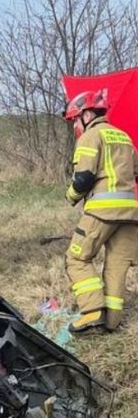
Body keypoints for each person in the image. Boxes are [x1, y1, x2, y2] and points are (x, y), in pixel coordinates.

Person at [60, 90, 138, 333]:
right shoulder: (124, 137)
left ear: (88, 113)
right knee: (117, 264)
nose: (75, 125)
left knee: (77, 258)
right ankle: (111, 322)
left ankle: (92, 312)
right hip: (131, 213)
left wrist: (71, 196)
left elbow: (83, 178)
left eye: (75, 119)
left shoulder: (91, 136)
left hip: (102, 210)